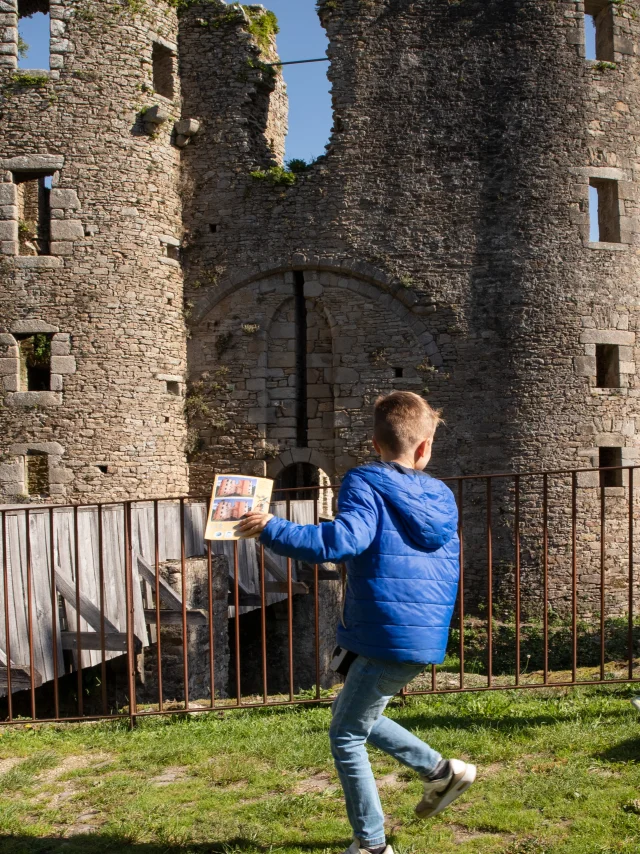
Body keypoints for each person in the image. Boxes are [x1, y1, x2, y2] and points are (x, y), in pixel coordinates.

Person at [236, 391, 476, 854]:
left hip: (384, 630)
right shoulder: (442, 495)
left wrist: (272, 527)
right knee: (358, 713)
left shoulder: (365, 481)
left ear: (374, 442)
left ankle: (370, 845)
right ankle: (441, 772)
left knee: (346, 734)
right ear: (425, 447)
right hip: (422, 630)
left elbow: (344, 540)